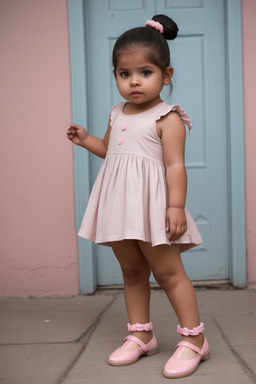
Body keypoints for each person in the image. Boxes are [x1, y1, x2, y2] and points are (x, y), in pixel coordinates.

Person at [67, 14, 210, 379]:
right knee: (132, 271)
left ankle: (194, 340)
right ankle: (141, 334)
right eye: (124, 73)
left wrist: (175, 205)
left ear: (167, 74)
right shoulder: (118, 112)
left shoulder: (168, 117)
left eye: (145, 72)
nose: (134, 81)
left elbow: (175, 166)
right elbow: (112, 152)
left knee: (167, 272)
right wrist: (86, 141)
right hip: (119, 207)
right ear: (115, 76)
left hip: (152, 208)